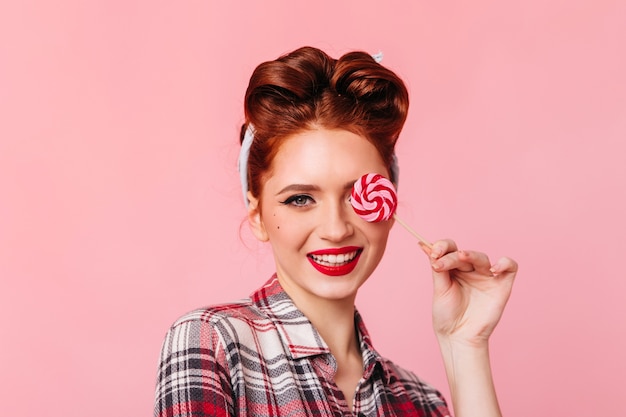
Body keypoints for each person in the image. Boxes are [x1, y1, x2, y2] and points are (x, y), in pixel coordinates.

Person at [154, 46, 517, 417]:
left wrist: (465, 345)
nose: (336, 229)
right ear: (258, 216)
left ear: (388, 205)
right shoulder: (212, 343)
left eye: (355, 195)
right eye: (299, 199)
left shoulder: (419, 401)